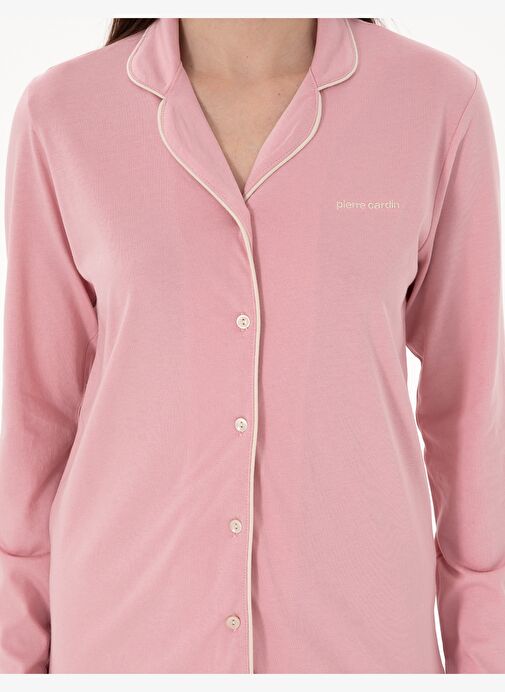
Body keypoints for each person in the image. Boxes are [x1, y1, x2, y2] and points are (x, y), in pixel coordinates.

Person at [0, 17, 504, 674]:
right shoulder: (62, 115)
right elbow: (33, 426)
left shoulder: (436, 103)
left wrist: (486, 666)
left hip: (360, 653)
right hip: (124, 646)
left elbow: (472, 425)